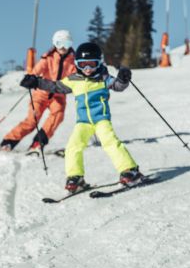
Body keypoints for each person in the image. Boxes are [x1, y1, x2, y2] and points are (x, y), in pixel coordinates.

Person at [20, 42, 143, 192]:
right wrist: (36, 81)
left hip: (101, 119)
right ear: (77, 64)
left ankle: (130, 171)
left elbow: (118, 86)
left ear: (99, 63)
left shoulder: (103, 77)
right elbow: (55, 86)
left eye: (92, 64)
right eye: (83, 64)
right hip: (83, 122)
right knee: (73, 147)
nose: (87, 69)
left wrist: (123, 79)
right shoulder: (74, 79)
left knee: (110, 142)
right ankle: (75, 177)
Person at [0, 29, 76, 152]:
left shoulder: (73, 62)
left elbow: (75, 78)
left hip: (58, 96)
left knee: (57, 116)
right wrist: (30, 78)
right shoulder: (47, 58)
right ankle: (8, 142)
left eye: (66, 44)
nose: (63, 47)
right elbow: (35, 71)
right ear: (54, 44)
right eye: (59, 43)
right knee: (32, 121)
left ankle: (38, 143)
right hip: (41, 95)